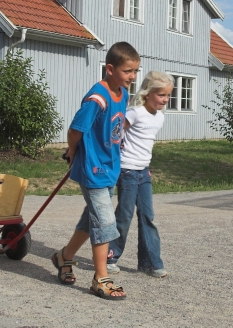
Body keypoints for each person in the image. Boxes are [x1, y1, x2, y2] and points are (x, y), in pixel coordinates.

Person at [51, 41, 140, 301]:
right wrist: (72, 151)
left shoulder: (122, 94)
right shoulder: (96, 98)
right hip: (93, 169)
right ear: (110, 69)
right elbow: (75, 130)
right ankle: (100, 278)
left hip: (110, 166)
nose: (132, 76)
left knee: (91, 221)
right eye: (128, 71)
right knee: (104, 222)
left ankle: (63, 257)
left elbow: (116, 126)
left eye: (135, 71)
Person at [106, 71, 173, 278]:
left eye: (168, 95)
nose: (165, 99)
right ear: (147, 94)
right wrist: (118, 147)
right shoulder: (135, 112)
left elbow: (146, 143)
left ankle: (150, 263)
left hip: (144, 171)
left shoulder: (159, 117)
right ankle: (110, 256)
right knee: (124, 216)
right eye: (161, 95)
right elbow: (116, 131)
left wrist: (146, 165)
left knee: (147, 216)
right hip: (127, 170)